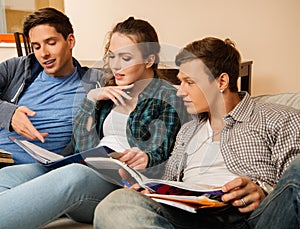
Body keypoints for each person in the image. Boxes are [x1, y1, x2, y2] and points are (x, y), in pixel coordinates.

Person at [0, 17, 188, 228]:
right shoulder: (108, 93)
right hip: (93, 168)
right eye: (112, 56)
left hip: (120, 181)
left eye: (125, 57)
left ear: (149, 60)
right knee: (10, 175)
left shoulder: (168, 96)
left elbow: (163, 154)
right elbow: (83, 147)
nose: (115, 65)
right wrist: (91, 101)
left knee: (73, 175)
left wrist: (145, 158)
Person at [93, 37, 300, 228]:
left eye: (190, 82)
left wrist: (263, 191)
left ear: (221, 82)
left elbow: (290, 188)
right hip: (191, 214)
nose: (180, 90)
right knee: (115, 203)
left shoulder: (280, 118)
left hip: (253, 217)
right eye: (181, 81)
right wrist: (145, 186)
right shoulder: (188, 130)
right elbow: (169, 179)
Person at [0, 7, 102, 164]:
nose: (43, 53)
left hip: (36, 169)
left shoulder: (95, 82)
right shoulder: (18, 68)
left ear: (70, 41)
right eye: (36, 47)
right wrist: (10, 114)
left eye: (51, 43)